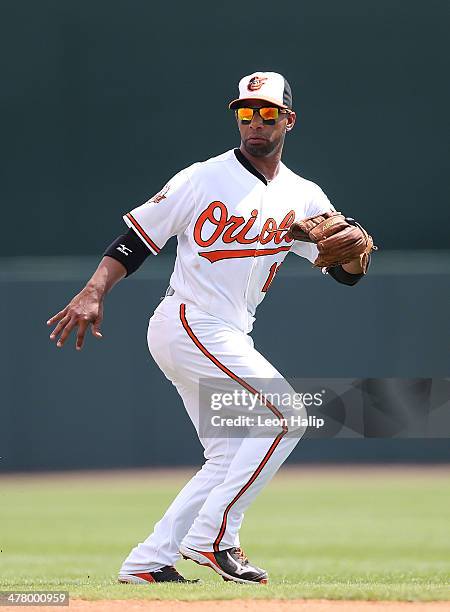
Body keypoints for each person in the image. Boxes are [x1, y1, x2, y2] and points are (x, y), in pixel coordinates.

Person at [47, 72, 369, 585]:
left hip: (228, 331)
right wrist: (93, 291)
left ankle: (147, 562)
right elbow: (136, 238)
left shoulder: (304, 194)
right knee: (287, 413)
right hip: (189, 320)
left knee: (226, 456)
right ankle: (215, 538)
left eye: (267, 113)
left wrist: (353, 256)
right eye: (245, 112)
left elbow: (341, 272)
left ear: (289, 120)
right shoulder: (202, 177)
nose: (255, 122)